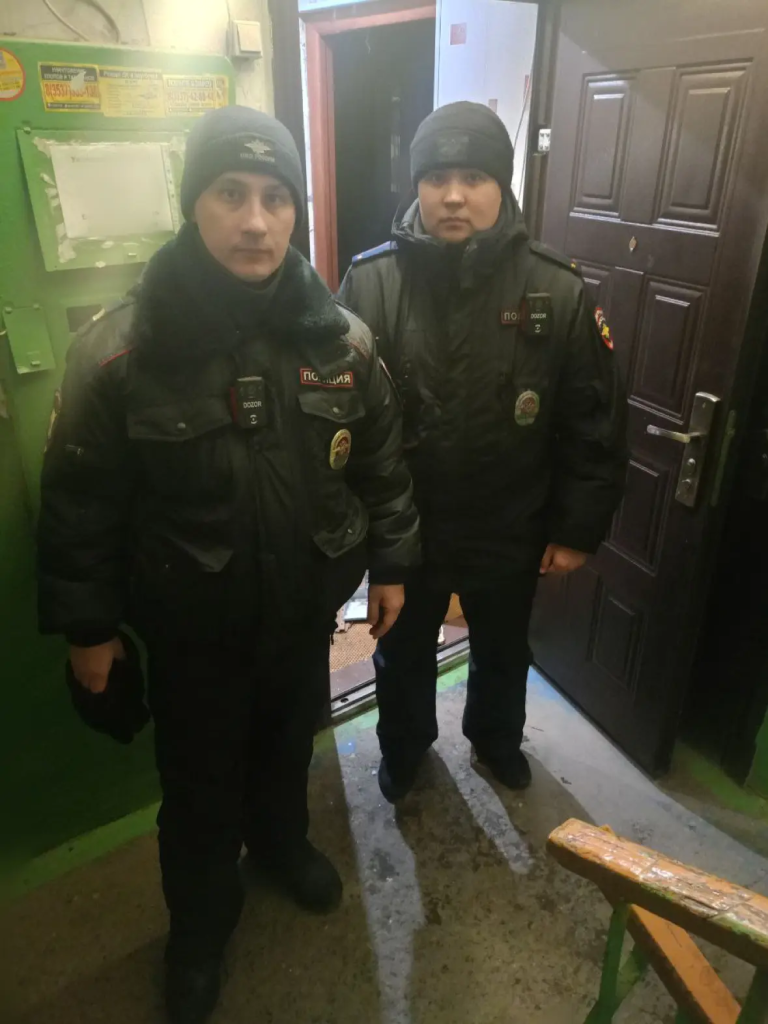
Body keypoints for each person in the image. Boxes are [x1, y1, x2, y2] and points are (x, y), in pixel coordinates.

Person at [37, 106, 419, 1024]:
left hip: (301, 621)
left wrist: (393, 564)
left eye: (275, 198)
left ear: (296, 213)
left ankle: (282, 849)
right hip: (192, 636)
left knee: (288, 754)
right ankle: (201, 930)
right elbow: (79, 502)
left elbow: (382, 466)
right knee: (200, 796)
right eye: (230, 194)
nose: (255, 221)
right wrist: (90, 629)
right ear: (193, 205)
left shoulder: (341, 342)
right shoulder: (121, 351)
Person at [338, 101, 627, 802]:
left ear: (503, 185)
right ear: (417, 186)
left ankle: (497, 742)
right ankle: (405, 748)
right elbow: (341, 421)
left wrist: (575, 528)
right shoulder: (371, 282)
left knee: (503, 650)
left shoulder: (557, 289)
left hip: (511, 524)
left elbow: (592, 419)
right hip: (407, 529)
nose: (453, 195)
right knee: (401, 650)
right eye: (437, 177)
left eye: (474, 177)